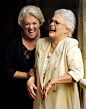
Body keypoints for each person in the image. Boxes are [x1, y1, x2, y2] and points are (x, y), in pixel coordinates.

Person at [27, 9, 84, 109]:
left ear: (67, 29)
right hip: (40, 103)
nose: (52, 24)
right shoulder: (41, 43)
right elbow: (37, 69)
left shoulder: (70, 45)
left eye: (57, 22)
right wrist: (31, 80)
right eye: (51, 21)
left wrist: (52, 81)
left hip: (61, 103)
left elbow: (78, 73)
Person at [0, 5, 48, 108]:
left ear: (40, 22)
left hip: (44, 93)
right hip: (17, 94)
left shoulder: (48, 37)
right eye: (27, 24)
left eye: (34, 23)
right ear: (22, 24)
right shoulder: (13, 40)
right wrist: (27, 75)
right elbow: (5, 68)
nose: (31, 27)